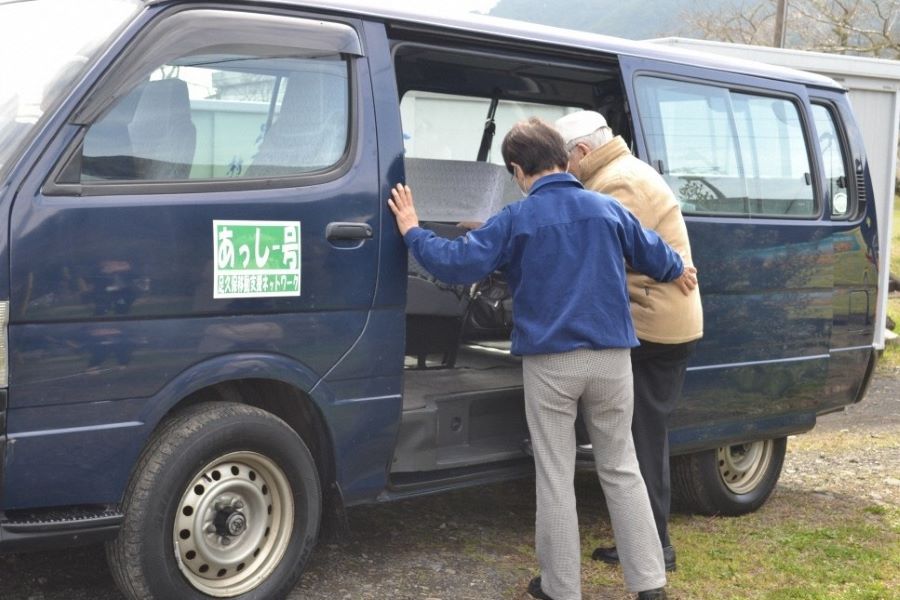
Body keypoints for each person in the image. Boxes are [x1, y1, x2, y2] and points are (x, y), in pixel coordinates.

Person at [388, 117, 697, 600]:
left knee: (556, 476)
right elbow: (656, 254)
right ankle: (650, 584)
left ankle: (560, 588)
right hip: (613, 359)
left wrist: (412, 230)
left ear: (517, 169)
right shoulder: (606, 208)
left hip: (553, 365)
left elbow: (456, 263)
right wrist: (678, 267)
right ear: (562, 157)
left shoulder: (516, 218)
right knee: (622, 469)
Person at [555, 110, 704, 573]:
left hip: (649, 326)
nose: (560, 170)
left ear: (582, 151)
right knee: (641, 438)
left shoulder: (618, 183)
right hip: (656, 321)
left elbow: (602, 256)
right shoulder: (618, 173)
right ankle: (649, 543)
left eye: (563, 160)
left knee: (639, 441)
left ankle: (652, 547)